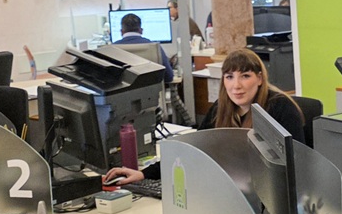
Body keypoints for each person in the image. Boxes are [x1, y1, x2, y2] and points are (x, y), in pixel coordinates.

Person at [105, 48, 303, 184]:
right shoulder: (221, 108)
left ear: (259, 78)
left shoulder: (280, 108)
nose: (236, 85)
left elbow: (297, 165)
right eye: (229, 77)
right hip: (229, 190)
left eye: (245, 76)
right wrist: (144, 174)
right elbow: (194, 149)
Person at [115, 12, 174, 84]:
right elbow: (169, 77)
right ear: (141, 30)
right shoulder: (154, 47)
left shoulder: (112, 49)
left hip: (121, 91)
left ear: (121, 31)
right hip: (151, 91)